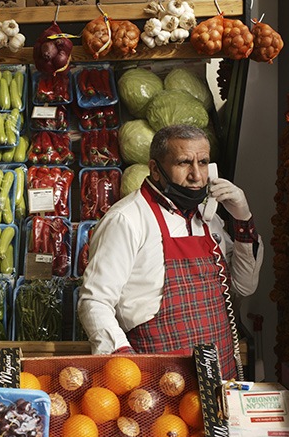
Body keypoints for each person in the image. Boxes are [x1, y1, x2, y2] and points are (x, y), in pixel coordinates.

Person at [77, 124, 263, 380]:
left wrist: (243, 219)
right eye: (184, 163)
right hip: (158, 381)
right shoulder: (127, 219)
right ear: (155, 169)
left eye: (204, 162)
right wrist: (122, 359)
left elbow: (244, 286)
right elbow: (94, 302)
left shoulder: (209, 219)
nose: (196, 175)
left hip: (221, 378)